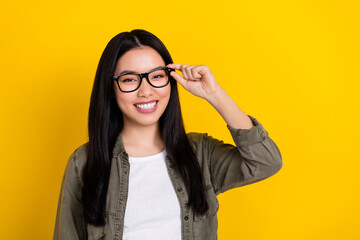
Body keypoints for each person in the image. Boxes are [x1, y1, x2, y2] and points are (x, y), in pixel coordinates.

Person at [53, 29, 282, 240]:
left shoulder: (200, 153)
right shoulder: (83, 162)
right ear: (111, 89)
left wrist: (214, 94)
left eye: (157, 76)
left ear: (171, 80)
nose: (146, 91)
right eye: (129, 79)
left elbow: (266, 162)